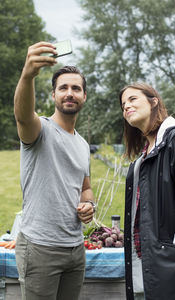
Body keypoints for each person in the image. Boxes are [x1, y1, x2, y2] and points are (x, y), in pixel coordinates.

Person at [14, 41, 95, 300]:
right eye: (63, 88)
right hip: (40, 248)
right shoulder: (40, 130)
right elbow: (23, 116)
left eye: (76, 88)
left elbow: (85, 187)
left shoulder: (82, 145)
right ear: (53, 95)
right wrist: (28, 75)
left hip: (75, 249)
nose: (69, 93)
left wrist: (89, 204)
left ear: (84, 96)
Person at [119, 82, 175, 300]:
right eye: (123, 103)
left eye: (133, 99)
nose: (126, 106)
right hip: (154, 258)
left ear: (154, 101)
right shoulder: (147, 152)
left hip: (174, 260)